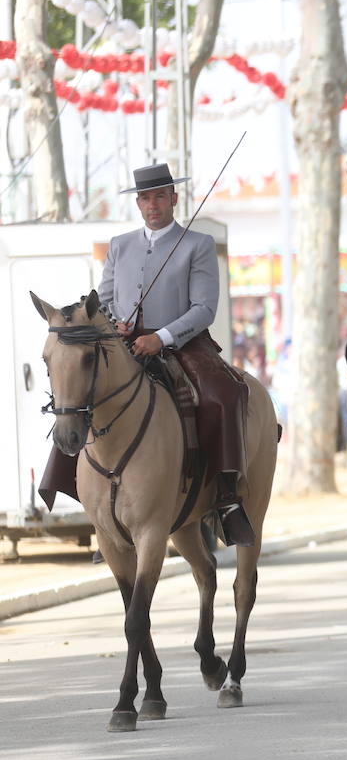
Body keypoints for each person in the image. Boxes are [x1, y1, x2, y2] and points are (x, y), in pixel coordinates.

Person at [39, 163, 256, 546]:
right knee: (77, 396)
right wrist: (113, 323)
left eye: (159, 196)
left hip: (184, 343)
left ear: (173, 198)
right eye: (145, 197)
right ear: (138, 203)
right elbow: (101, 303)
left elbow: (204, 308)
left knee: (223, 395)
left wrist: (163, 337)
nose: (152, 204)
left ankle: (225, 497)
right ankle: (85, 498)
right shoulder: (120, 246)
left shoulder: (197, 244)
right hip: (122, 345)